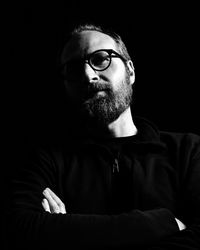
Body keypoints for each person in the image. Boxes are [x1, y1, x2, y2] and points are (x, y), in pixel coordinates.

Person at [5, 22, 200, 250]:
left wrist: (66, 234)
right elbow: (21, 229)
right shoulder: (47, 159)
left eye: (100, 59)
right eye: (74, 69)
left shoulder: (188, 150)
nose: (88, 75)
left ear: (131, 70)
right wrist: (163, 222)